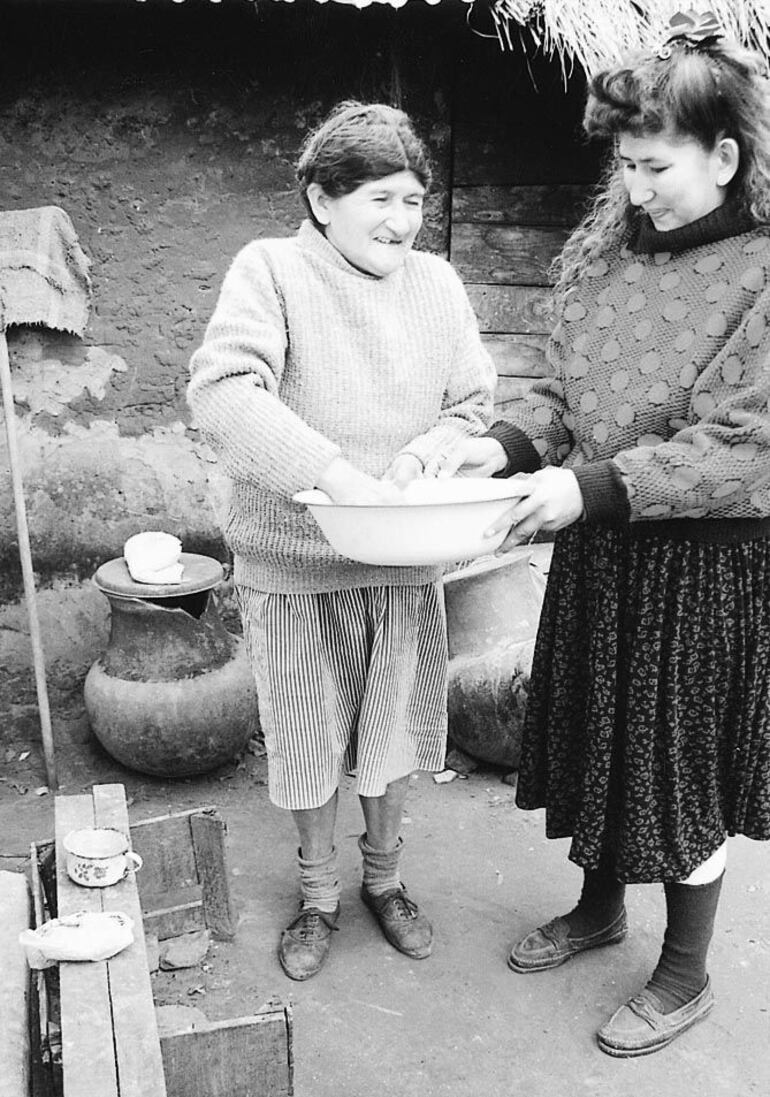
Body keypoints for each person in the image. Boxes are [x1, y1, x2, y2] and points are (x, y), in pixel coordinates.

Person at [432, 11, 770, 1057]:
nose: (631, 189)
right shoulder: (600, 257)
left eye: (653, 165)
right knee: (589, 729)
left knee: (675, 762)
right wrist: (501, 443)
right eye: (621, 163)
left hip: (698, 570)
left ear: (725, 155)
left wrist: (591, 488)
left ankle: (682, 969)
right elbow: (568, 398)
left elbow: (746, 443)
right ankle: (595, 907)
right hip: (600, 545)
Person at [187, 101, 495, 981]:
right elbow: (227, 391)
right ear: (323, 200)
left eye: (412, 200)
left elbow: (471, 403)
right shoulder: (274, 270)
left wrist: (418, 456)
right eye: (379, 200)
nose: (401, 221)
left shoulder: (437, 285)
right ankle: (318, 893)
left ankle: (385, 881)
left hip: (402, 558)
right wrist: (335, 474)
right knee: (308, 733)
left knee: (390, 727)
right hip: (293, 558)